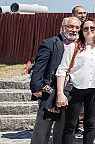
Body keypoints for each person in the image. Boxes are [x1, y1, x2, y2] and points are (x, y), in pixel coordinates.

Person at [55, 18, 95, 144]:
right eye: (86, 28)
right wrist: (60, 93)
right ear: (82, 31)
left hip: (94, 90)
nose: (89, 31)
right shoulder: (74, 46)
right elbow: (62, 70)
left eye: (92, 28)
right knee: (70, 125)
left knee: (90, 125)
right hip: (76, 90)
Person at [30, 16, 81, 144]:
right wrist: (36, 88)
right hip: (50, 92)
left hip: (71, 93)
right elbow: (39, 68)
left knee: (63, 129)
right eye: (70, 26)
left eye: (77, 27)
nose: (74, 30)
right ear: (62, 27)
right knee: (42, 128)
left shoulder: (81, 46)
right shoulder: (49, 43)